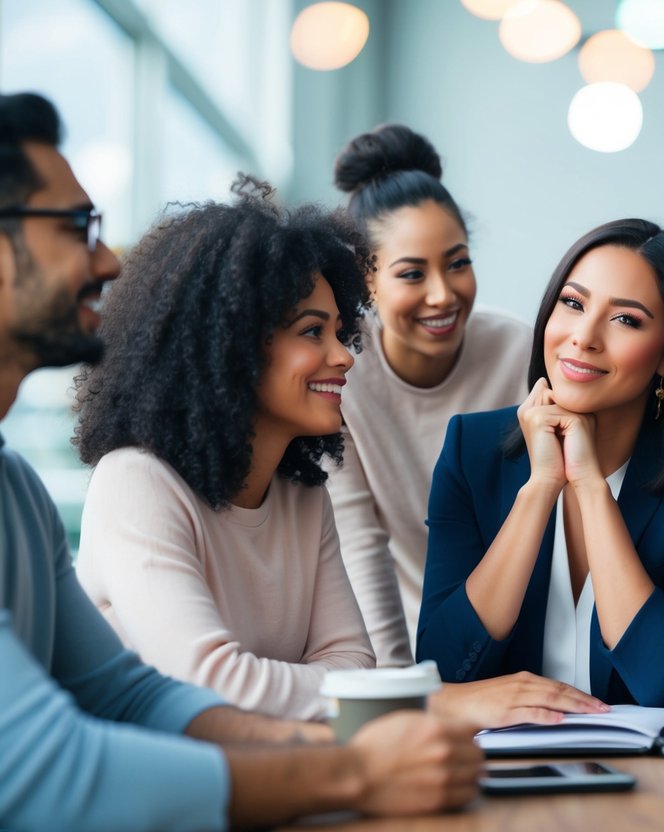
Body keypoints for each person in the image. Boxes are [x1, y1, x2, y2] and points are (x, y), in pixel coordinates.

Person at [0, 91, 478, 831]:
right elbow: (60, 767)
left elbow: (134, 698)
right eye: (76, 227)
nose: (104, 257)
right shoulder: (136, 481)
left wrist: (363, 752)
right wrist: (353, 769)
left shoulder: (18, 491)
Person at [415, 218, 664, 706]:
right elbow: (442, 670)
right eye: (573, 303)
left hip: (659, 772)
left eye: (626, 319)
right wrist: (539, 490)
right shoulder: (470, 449)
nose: (583, 336)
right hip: (503, 763)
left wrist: (589, 484)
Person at [73, 177, 378, 722]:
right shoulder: (136, 482)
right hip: (157, 798)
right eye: (313, 332)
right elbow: (208, 683)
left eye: (341, 332)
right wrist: (324, 688)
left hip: (274, 785)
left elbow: (357, 663)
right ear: (231, 346)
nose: (344, 356)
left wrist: (277, 687)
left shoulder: (302, 498)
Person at [330, 124, 530, 666]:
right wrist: (401, 689)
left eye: (458, 262)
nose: (443, 294)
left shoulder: (521, 352)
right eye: (412, 273)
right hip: (405, 636)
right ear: (364, 281)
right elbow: (359, 542)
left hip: (526, 631)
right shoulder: (340, 371)